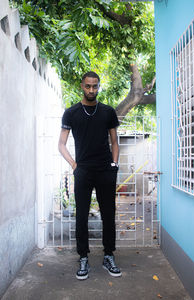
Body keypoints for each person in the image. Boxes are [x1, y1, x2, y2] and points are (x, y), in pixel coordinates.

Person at [58, 71, 121, 280]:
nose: (91, 90)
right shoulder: (71, 113)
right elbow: (61, 144)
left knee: (108, 215)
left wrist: (114, 165)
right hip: (83, 171)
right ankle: (83, 257)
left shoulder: (108, 112)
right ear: (81, 86)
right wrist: (75, 165)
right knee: (82, 216)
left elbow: (114, 142)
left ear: (99, 86)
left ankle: (108, 255)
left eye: (95, 86)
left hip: (105, 170)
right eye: (88, 86)